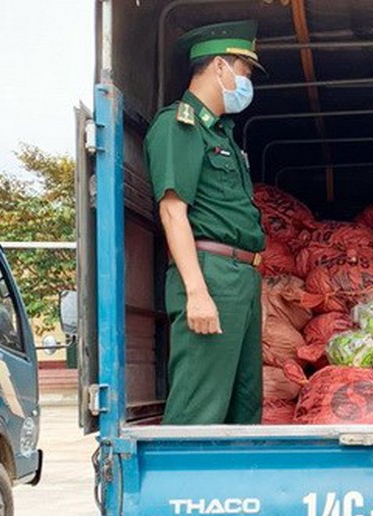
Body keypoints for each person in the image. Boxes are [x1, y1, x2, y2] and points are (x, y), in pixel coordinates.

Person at [144, 21, 266, 425]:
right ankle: (181, 487)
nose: (246, 82)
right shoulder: (179, 125)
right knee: (200, 410)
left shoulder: (225, 135)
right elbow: (172, 211)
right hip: (209, 273)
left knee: (242, 409)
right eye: (244, 71)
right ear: (219, 66)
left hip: (239, 278)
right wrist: (197, 291)